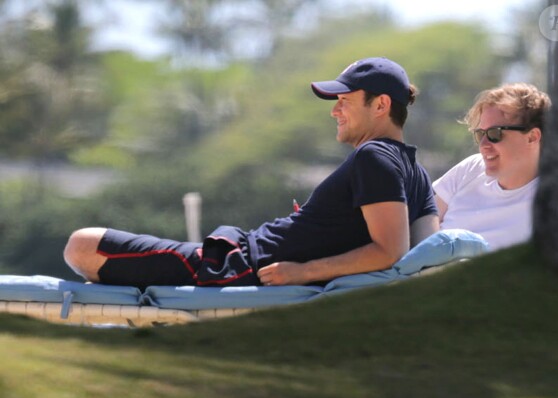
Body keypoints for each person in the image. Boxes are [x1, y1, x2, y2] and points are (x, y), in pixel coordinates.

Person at [63, 57, 439, 289]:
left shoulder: (374, 157)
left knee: (82, 245)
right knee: (87, 246)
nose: (334, 111)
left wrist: (303, 271)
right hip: (242, 254)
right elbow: (422, 258)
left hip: (235, 267)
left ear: (382, 105)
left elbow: (392, 251)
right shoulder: (415, 171)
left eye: (344, 100)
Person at [433, 83, 551, 251]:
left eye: (495, 133)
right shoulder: (470, 169)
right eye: (480, 134)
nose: (483, 145)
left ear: (532, 137)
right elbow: (424, 221)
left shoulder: (555, 201)